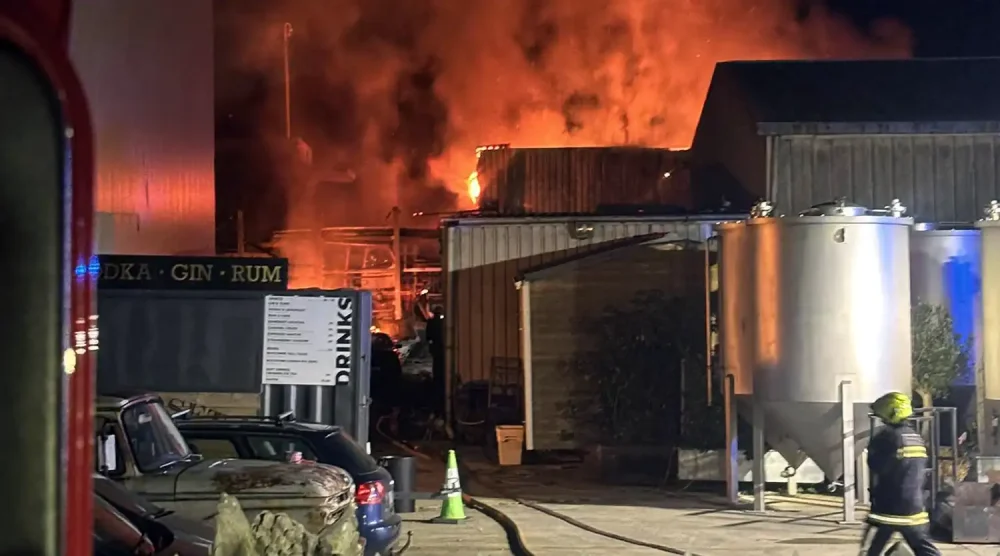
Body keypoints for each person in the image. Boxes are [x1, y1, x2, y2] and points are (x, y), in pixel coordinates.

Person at [863, 391, 941, 556]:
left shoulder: (886, 437)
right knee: (926, 550)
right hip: (914, 506)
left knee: (871, 549)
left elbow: (876, 465)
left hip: (887, 508)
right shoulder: (915, 437)